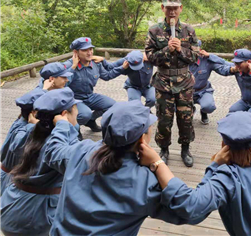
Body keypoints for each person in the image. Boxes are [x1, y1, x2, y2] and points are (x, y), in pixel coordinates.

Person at [45, 101, 188, 235]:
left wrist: (62, 125)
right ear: (141, 139)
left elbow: (52, 152)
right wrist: (158, 163)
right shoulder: (145, 182)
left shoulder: (82, 150)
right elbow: (190, 208)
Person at [1, 88, 80, 236]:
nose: (78, 113)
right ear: (64, 114)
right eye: (75, 110)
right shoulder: (64, 145)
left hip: (11, 205)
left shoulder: (29, 133)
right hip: (36, 217)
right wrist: (65, 127)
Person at [145, 0, 199, 167]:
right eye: (168, 8)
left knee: (186, 118)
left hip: (184, 83)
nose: (172, 12)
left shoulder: (189, 31)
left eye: (175, 8)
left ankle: (185, 148)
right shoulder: (154, 31)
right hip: (163, 82)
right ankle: (164, 149)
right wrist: (167, 50)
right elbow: (150, 58)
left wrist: (180, 50)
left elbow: (195, 58)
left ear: (181, 8)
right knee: (164, 120)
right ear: (163, 8)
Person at [64, 37, 128, 132]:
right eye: (85, 50)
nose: (89, 53)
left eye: (90, 49)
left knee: (112, 105)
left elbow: (107, 76)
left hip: (89, 96)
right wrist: (73, 67)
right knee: (85, 114)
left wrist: (122, 68)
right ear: (75, 52)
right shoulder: (68, 65)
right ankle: (74, 128)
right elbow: (61, 84)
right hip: (73, 99)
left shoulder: (95, 64)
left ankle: (90, 120)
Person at [0, 88, 47, 195]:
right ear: (34, 113)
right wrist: (34, 126)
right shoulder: (24, 130)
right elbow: (17, 146)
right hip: (10, 180)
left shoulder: (22, 119)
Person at [214, 48, 251, 119]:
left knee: (249, 117)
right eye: (235, 63)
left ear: (249, 62)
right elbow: (222, 62)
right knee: (233, 112)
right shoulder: (237, 69)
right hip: (245, 102)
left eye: (239, 63)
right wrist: (209, 55)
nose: (236, 65)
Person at [189, 41, 231, 124]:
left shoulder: (207, 60)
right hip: (186, 92)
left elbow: (226, 67)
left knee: (208, 106)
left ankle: (204, 112)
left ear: (200, 49)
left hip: (203, 91)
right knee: (174, 106)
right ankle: (190, 109)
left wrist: (211, 56)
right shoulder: (181, 61)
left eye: (196, 49)